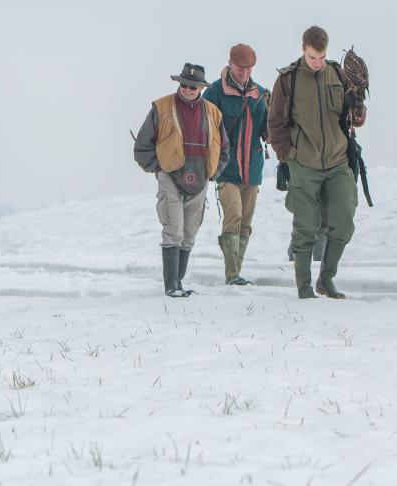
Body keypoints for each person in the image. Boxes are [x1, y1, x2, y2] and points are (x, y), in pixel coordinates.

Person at [268, 26, 366, 299]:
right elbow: (275, 123)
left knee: (344, 220)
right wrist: (289, 155)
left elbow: (353, 118)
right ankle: (304, 287)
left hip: (337, 162)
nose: (317, 63)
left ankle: (326, 279)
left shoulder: (336, 73)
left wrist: (358, 110)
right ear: (303, 49)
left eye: (321, 57)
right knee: (305, 227)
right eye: (312, 57)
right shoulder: (288, 80)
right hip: (305, 164)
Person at [134, 64, 230, 297]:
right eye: (185, 84)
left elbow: (224, 149)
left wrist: (213, 173)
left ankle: (178, 283)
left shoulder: (213, 112)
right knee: (173, 229)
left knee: (189, 233)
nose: (188, 89)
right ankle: (170, 287)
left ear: (201, 87)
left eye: (194, 86)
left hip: (200, 177)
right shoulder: (161, 107)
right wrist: (159, 170)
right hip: (170, 175)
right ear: (179, 84)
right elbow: (142, 147)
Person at [202, 44, 268, 285]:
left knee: (246, 221)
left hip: (253, 167)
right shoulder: (214, 93)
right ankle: (232, 275)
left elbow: (268, 130)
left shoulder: (260, 94)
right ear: (230, 64)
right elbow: (204, 129)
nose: (245, 74)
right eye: (241, 69)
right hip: (226, 168)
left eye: (249, 70)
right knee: (234, 214)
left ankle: (236, 274)